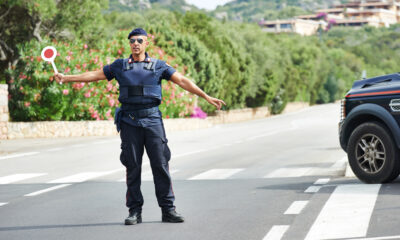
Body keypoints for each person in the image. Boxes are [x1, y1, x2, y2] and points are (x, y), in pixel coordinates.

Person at [55, 28, 226, 225]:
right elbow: (95, 74)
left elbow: (182, 81)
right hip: (129, 122)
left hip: (153, 120)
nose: (135, 43)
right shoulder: (120, 66)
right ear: (129, 44)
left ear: (146, 43)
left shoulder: (159, 66)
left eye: (139, 40)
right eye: (132, 41)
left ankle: (168, 210)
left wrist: (205, 96)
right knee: (132, 167)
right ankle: (134, 211)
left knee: (161, 166)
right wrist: (66, 78)